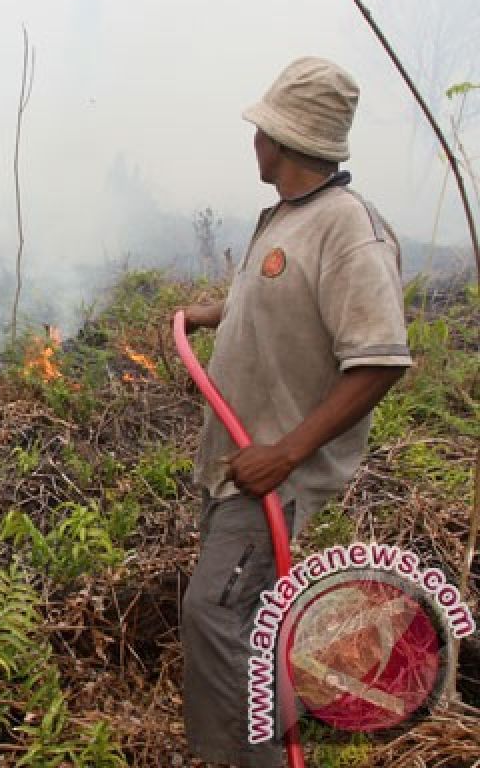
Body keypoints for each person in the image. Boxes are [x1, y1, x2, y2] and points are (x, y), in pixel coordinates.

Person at [177, 56, 412, 767]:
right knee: (244, 614)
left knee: (215, 613)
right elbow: (278, 301)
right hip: (245, 464)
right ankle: (276, 736)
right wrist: (215, 313)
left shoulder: (348, 230)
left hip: (274, 475)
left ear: (285, 138)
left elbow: (378, 360)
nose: (254, 139)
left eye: (262, 129)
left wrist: (286, 452)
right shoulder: (288, 217)